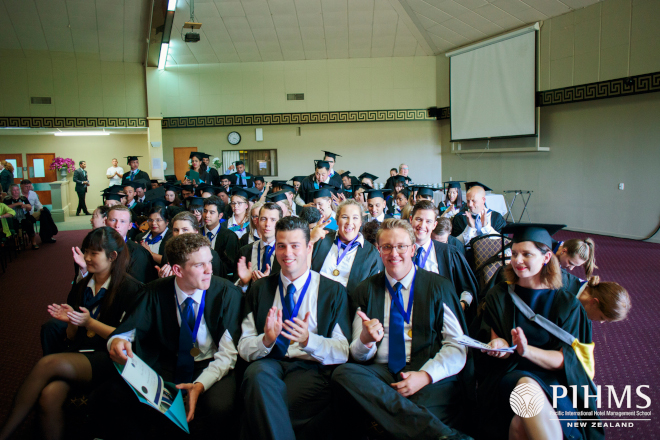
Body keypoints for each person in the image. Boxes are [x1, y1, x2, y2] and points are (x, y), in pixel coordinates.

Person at [331, 218, 472, 440]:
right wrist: (366, 340)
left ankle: (393, 420)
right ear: (378, 250)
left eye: (401, 246)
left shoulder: (439, 286)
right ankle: (444, 436)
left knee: (391, 417)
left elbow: (457, 346)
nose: (393, 253)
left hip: (426, 368)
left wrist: (425, 376)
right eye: (386, 247)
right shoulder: (366, 290)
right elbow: (358, 354)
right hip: (381, 374)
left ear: (413, 249)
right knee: (343, 374)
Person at [0, 227, 143, 440]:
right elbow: (71, 338)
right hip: (81, 353)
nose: (86, 258)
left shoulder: (131, 289)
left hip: (110, 358)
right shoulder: (82, 286)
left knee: (47, 364)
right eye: (86, 252)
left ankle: (4, 434)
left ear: (112, 256)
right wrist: (72, 323)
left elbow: (129, 339)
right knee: (49, 396)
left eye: (93, 253)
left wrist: (90, 323)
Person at [104, 233, 244, 439]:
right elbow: (128, 330)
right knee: (113, 394)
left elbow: (227, 355)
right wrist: (117, 341)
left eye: (210, 262)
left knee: (219, 406)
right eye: (199, 265)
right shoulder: (154, 292)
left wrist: (200, 385)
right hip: (168, 363)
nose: (209, 270)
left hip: (211, 365)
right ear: (177, 270)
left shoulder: (227, 294)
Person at [474, 223, 602, 440]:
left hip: (554, 380)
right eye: (514, 253)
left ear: (546, 257)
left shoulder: (567, 304)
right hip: (509, 375)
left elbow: (567, 361)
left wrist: (526, 350)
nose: (517, 260)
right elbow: (499, 344)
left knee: (520, 427)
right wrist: (499, 346)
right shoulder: (500, 294)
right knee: (527, 387)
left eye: (526, 254)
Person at [237, 216, 350, 440]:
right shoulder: (259, 289)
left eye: (295, 245)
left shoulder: (332, 291)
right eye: (281, 246)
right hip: (269, 362)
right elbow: (244, 346)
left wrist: (309, 341)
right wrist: (266, 340)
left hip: (310, 367)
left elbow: (342, 350)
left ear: (309, 247)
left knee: (260, 405)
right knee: (256, 376)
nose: (287, 253)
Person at [409, 201, 479, 320]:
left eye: (428, 221)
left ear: (434, 225)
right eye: (419, 219)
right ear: (411, 220)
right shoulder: (399, 251)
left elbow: (467, 289)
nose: (422, 225)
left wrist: (461, 305)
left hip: (440, 318)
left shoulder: (449, 253)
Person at [310, 199, 383, 295]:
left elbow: (372, 292)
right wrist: (310, 240)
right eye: (345, 217)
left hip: (349, 307)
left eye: (355, 218)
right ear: (337, 221)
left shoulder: (371, 253)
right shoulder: (321, 239)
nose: (349, 222)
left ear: (360, 222)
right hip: (316, 301)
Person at [157, 211, 228, 279]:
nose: (179, 234)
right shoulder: (169, 252)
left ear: (195, 232)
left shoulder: (210, 255)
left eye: (185, 230)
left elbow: (217, 283)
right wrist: (163, 279)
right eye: (176, 230)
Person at [236, 202, 283, 290]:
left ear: (280, 223)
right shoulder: (245, 251)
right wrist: (243, 283)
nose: (267, 224)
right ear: (257, 221)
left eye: (273, 220)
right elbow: (234, 290)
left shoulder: (286, 252)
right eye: (263, 219)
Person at [104, 205, 157, 283]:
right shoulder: (95, 245)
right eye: (113, 220)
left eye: (122, 221)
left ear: (130, 226)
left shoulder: (139, 253)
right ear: (105, 222)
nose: (117, 225)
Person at [202, 196, 241, 280]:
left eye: (212, 212)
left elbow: (230, 265)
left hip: (220, 279)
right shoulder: (196, 233)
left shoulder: (229, 236)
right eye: (205, 211)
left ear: (220, 215)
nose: (207, 215)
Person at [20, 179, 58, 243]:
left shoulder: (33, 194)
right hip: (22, 215)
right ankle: (49, 234)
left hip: (32, 214)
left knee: (44, 212)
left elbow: (38, 204)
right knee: (44, 213)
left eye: (29, 186)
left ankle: (46, 236)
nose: (28, 188)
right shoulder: (18, 194)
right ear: (21, 186)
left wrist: (41, 208)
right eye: (26, 187)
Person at [3, 184, 39, 249]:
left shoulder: (23, 198)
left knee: (29, 224)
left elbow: (29, 207)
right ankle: (17, 244)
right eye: (14, 190)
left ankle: (33, 243)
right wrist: (16, 204)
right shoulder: (7, 199)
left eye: (17, 190)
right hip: (12, 218)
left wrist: (25, 206)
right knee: (14, 226)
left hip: (23, 217)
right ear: (10, 191)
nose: (16, 192)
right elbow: (4, 208)